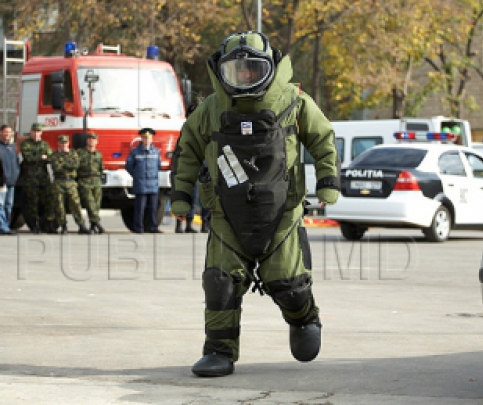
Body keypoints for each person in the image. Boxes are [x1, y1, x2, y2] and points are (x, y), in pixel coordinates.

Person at [170, 31, 340, 377]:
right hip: (225, 213)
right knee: (220, 281)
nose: (246, 77)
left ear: (270, 68)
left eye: (253, 70)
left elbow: (322, 138)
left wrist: (328, 182)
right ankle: (218, 349)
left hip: (282, 212)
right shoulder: (211, 110)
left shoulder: (294, 102)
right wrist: (180, 194)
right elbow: (187, 150)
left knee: (288, 282)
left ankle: (304, 318)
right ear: (223, 72)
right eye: (238, 71)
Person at [49, 135, 89, 234]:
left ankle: (81, 225)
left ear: (68, 143)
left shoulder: (73, 153)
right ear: (58, 144)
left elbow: (75, 165)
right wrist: (68, 163)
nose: (64, 145)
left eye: (65, 143)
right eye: (62, 143)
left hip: (71, 182)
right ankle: (63, 226)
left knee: (75, 204)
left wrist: (63, 163)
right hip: (59, 181)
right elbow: (56, 167)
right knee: (59, 205)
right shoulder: (54, 155)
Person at [20, 122, 55, 234]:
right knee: (32, 202)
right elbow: (28, 158)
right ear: (31, 131)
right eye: (34, 131)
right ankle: (34, 224)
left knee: (48, 200)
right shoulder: (26, 144)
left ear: (41, 132)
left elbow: (51, 157)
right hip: (31, 178)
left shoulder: (44, 144)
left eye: (38, 131)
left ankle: (48, 224)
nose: (36, 133)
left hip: (43, 177)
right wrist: (42, 157)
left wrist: (44, 158)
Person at [125, 127, 162, 233]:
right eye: (145, 138)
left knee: (153, 208)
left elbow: (158, 166)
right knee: (140, 208)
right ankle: (138, 227)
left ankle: (153, 227)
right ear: (141, 138)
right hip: (140, 184)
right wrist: (137, 175)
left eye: (149, 138)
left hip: (153, 184)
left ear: (152, 139)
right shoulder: (135, 152)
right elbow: (129, 166)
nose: (147, 140)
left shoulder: (156, 152)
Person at [76, 132, 106, 234]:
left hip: (96, 181)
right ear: (86, 141)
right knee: (90, 203)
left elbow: (101, 168)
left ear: (96, 141)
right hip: (84, 181)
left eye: (93, 139)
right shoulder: (80, 153)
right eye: (89, 139)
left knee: (96, 204)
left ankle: (93, 226)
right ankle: (97, 223)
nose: (91, 141)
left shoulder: (98, 154)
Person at [0, 124, 20, 232]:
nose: (7, 134)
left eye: (9, 132)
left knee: (9, 205)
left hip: (11, 182)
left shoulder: (12, 147)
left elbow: (16, 163)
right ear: (0, 132)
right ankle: (0, 226)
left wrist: (16, 176)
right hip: (2, 182)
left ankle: (6, 225)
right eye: (5, 132)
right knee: (0, 204)